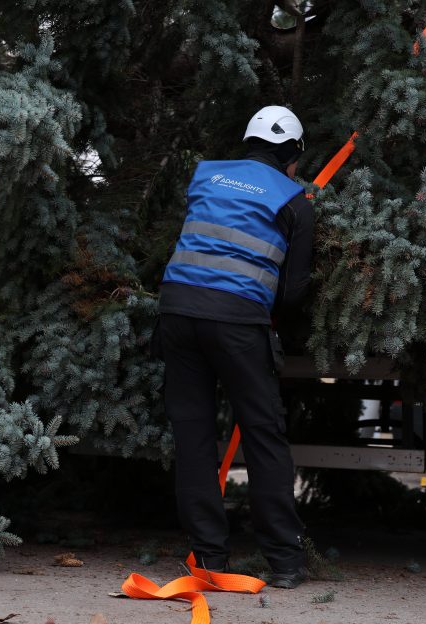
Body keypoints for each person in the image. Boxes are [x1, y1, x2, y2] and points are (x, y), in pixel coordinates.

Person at [156, 105, 314, 589]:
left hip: (177, 314)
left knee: (194, 437)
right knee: (264, 435)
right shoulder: (295, 200)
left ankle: (207, 559)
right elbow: (291, 293)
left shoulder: (205, 176)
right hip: (238, 323)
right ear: (293, 155)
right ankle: (285, 563)